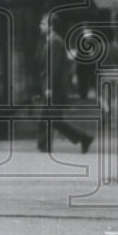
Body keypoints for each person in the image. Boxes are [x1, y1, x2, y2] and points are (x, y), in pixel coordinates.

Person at [35, 12, 93, 154]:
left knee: (49, 119)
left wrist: (49, 87)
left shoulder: (55, 42)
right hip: (53, 86)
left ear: (51, 26)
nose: (39, 26)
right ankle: (83, 138)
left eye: (43, 23)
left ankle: (82, 138)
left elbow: (53, 66)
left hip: (54, 87)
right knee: (53, 119)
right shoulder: (51, 41)